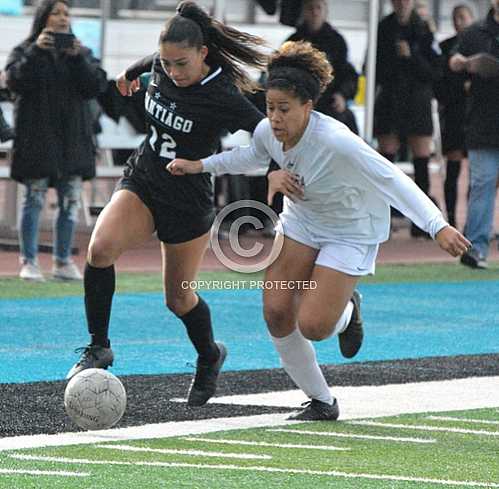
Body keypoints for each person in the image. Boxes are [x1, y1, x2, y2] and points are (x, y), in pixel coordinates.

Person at [168, 41, 471, 420]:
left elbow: (393, 179)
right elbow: (249, 155)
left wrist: (437, 225)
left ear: (308, 107)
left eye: (284, 110)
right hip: (302, 222)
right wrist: (199, 166)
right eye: (269, 108)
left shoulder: (337, 140)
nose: (274, 118)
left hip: (351, 230)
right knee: (276, 312)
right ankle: (322, 401)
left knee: (313, 325)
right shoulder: (268, 131)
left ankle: (348, 310)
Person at [66, 1, 267, 407]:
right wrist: (128, 73)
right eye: (167, 63)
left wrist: (277, 169)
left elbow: (266, 132)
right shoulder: (161, 65)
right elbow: (152, 63)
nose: (173, 72)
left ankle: (209, 355)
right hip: (144, 179)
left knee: (178, 299)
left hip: (187, 200)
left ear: (203, 54)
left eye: (182, 64)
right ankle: (99, 346)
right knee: (100, 248)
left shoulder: (222, 94)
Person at [5, 0, 107, 281]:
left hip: (72, 141)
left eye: (66, 13)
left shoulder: (82, 52)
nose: (63, 18)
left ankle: (63, 261)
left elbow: (96, 87)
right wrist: (37, 51)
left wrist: (77, 57)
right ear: (43, 19)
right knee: (34, 199)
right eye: (56, 13)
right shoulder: (25, 50)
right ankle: (29, 261)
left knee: (70, 202)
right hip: (37, 139)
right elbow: (14, 81)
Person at [374, 0, 442, 237]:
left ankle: (422, 222)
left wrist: (411, 55)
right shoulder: (383, 28)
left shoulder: (424, 29)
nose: (402, 3)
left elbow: (434, 71)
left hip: (417, 100)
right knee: (385, 161)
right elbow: (373, 67)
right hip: (391, 100)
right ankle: (383, 218)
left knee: (421, 161)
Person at [449, 0, 499, 269]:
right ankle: (476, 248)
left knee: (482, 184)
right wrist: (463, 62)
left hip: (483, 122)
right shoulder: (474, 33)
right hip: (483, 124)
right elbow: (454, 60)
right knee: (482, 184)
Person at [285, 0, 359, 134]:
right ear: (304, 12)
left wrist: (342, 95)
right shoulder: (293, 41)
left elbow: (347, 74)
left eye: (318, 8)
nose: (315, 12)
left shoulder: (337, 41)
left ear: (325, 12)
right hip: (300, 101)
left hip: (330, 101)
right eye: (310, 8)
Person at [434, 4, 475, 228]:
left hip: (478, 116)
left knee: (477, 173)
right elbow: (439, 84)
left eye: (463, 17)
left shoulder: (482, 46)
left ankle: (474, 221)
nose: (459, 22)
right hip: (454, 115)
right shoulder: (445, 47)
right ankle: (450, 220)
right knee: (453, 167)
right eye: (455, 18)